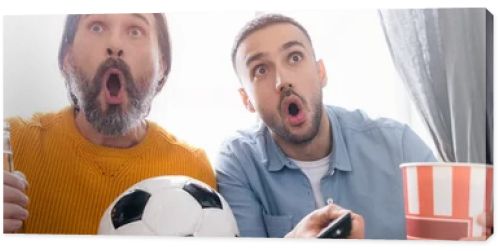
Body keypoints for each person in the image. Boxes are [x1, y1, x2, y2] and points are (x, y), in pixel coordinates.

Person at [215, 13, 436, 239]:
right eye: (261, 70)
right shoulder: (238, 163)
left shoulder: (400, 146)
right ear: (247, 100)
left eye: (294, 58)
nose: (282, 82)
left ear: (321, 73)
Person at [3, 13, 217, 234]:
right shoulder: (11, 145)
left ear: (162, 64)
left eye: (135, 31)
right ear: (67, 57)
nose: (115, 45)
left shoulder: (193, 169)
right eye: (96, 27)